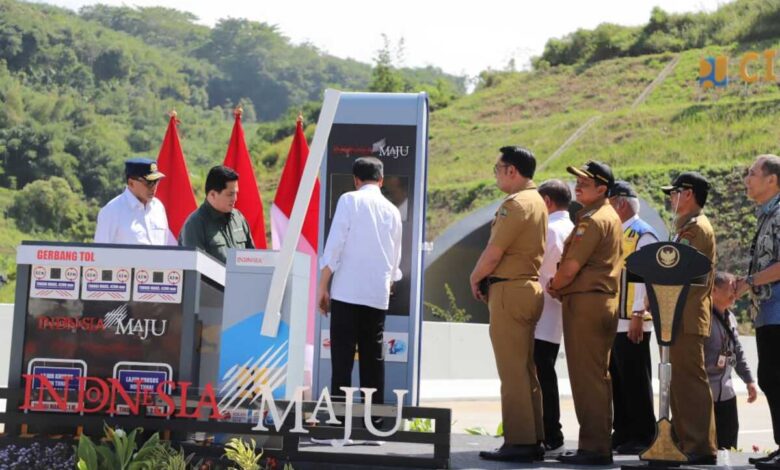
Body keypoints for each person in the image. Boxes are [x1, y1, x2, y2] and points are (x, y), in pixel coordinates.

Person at [470, 146, 547, 462]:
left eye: (498, 168)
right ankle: (533, 436)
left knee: (512, 370)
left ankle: (519, 441)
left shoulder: (515, 205)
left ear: (512, 171)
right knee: (526, 369)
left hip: (510, 291)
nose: (497, 173)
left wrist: (474, 277)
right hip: (527, 288)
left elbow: (494, 253)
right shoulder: (538, 201)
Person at [547, 160, 621, 466]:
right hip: (598, 301)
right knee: (596, 376)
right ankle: (596, 444)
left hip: (587, 302)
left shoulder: (592, 220)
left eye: (585, 182)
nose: (577, 186)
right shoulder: (608, 216)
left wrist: (555, 283)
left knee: (587, 378)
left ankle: (594, 448)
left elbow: (571, 267)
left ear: (602, 188)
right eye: (577, 181)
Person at [317, 157, 402, 409]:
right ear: (381, 180)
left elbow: (334, 248)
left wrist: (323, 287)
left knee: (342, 360)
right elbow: (395, 259)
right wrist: (386, 287)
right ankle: (373, 423)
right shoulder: (393, 211)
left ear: (356, 180)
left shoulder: (349, 200)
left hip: (346, 294)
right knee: (373, 360)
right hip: (377, 295)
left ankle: (338, 425)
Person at [661, 171, 717, 464]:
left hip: (687, 312)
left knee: (689, 381)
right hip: (678, 312)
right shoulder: (687, 227)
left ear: (689, 193)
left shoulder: (696, 229)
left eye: (674, 192)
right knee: (678, 382)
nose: (671, 198)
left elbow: (683, 271)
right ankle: (686, 442)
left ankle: (699, 445)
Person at [607, 180, 658, 455]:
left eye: (610, 201)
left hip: (633, 319)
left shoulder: (642, 234)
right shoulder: (619, 232)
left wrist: (639, 313)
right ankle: (623, 431)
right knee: (618, 378)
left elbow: (645, 277)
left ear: (622, 202)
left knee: (636, 379)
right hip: (617, 318)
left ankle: (643, 434)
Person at [736, 154, 780, 467]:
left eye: (752, 173)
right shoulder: (765, 214)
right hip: (767, 310)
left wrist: (750, 280)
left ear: (772, 180)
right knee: (771, 377)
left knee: (775, 377)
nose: (747, 179)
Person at [534, 179, 574, 458]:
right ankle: (550, 432)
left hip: (542, 309)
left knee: (541, 375)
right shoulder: (571, 228)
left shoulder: (548, 229)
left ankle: (549, 433)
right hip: (558, 312)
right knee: (545, 373)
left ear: (547, 201)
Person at [707, 271, 758, 450]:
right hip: (706, 397)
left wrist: (749, 380)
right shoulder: (703, 319)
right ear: (713, 290)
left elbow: (737, 353)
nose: (735, 293)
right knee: (707, 450)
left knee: (729, 449)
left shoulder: (731, 318)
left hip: (727, 396)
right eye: (731, 288)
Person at [179, 165, 254, 263]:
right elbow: (196, 268)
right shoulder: (194, 224)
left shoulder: (238, 218)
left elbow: (253, 258)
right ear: (212, 194)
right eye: (230, 194)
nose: (235, 198)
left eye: (236, 193)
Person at [94, 157, 176, 245]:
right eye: (148, 183)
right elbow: (101, 253)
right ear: (131, 183)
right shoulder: (111, 211)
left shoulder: (158, 207)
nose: (154, 187)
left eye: (156, 181)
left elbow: (168, 246)